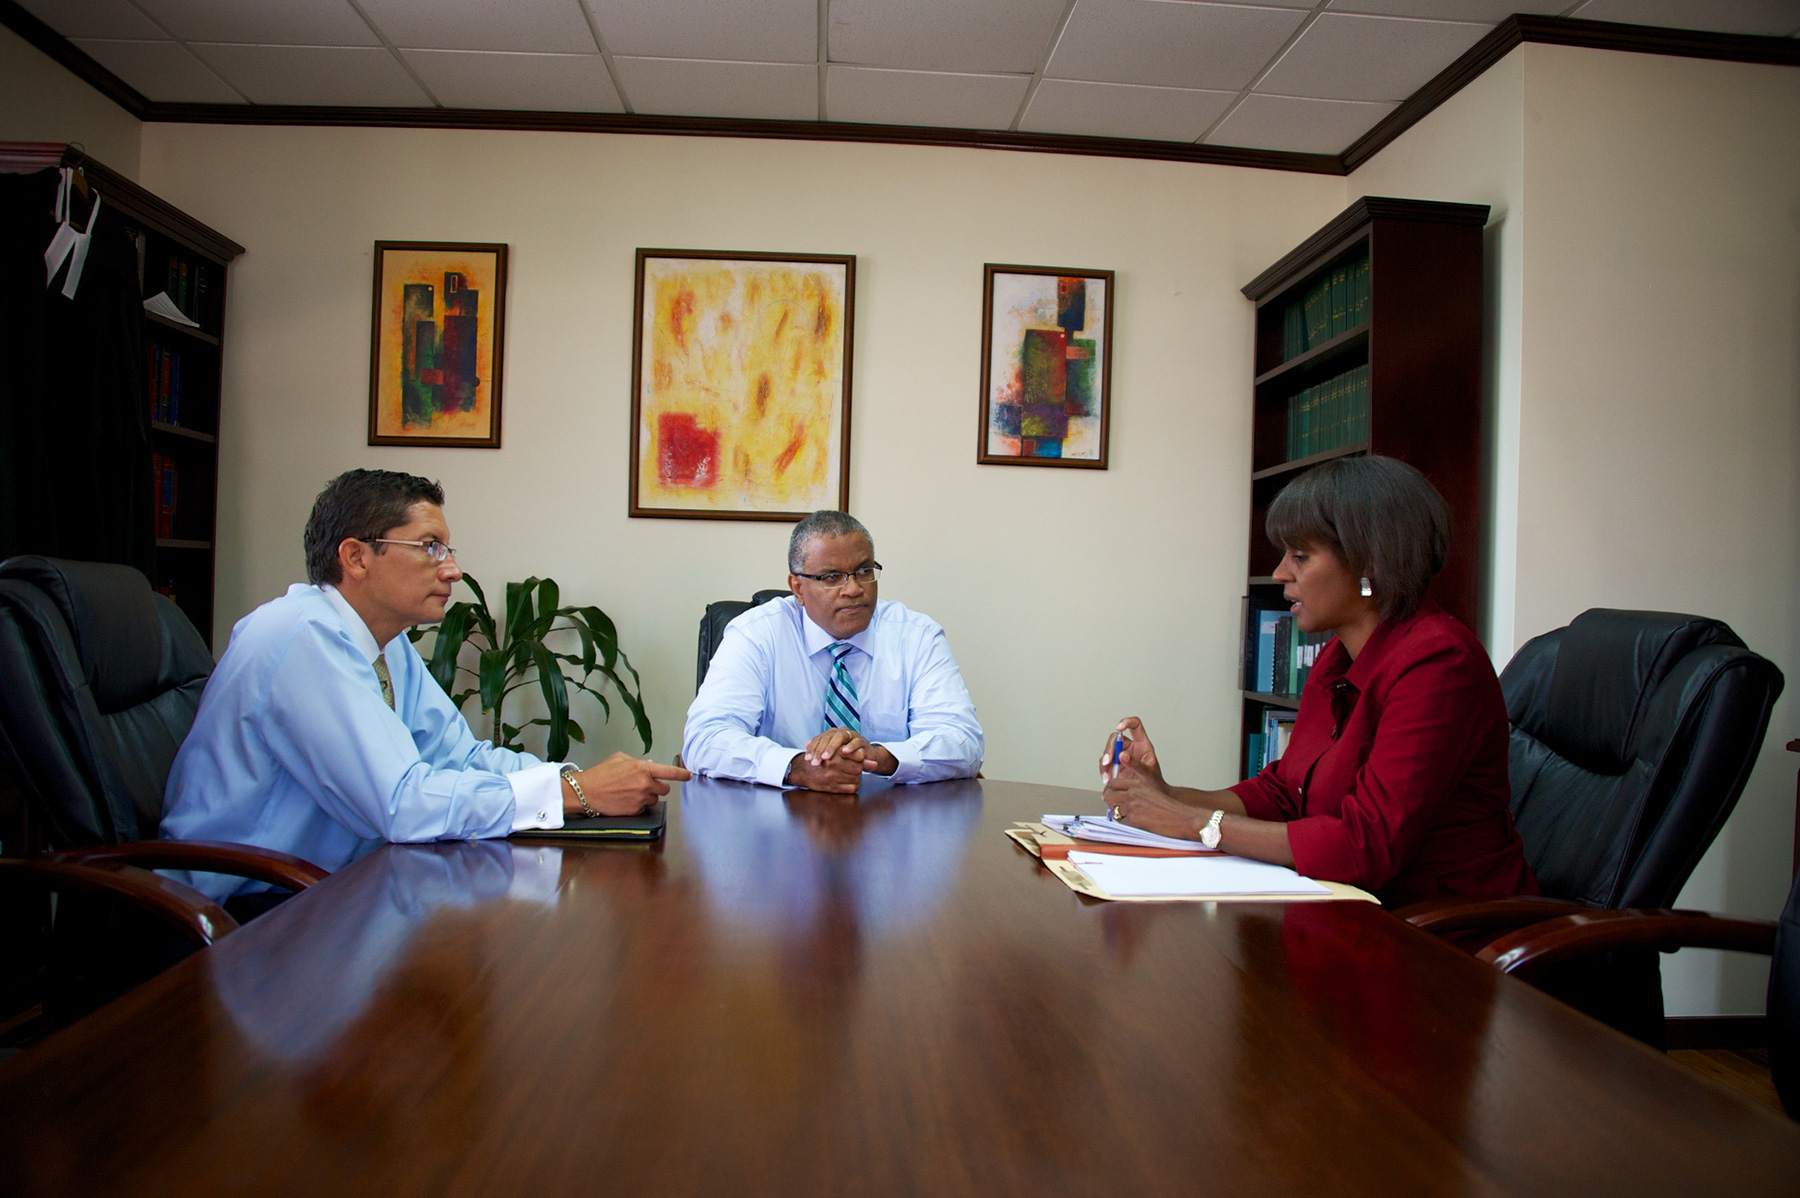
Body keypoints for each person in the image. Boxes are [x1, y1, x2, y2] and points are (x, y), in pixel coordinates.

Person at [162, 468, 687, 906]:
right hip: (245, 909)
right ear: (356, 557)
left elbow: (462, 758)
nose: (453, 570)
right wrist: (574, 794)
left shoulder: (384, 643)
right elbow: (402, 804)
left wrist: (581, 780)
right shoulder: (300, 635)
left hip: (333, 890)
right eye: (430, 547)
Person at [1101, 455, 1536, 907]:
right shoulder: (1337, 657)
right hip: (1355, 910)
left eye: (1301, 556)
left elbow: (1366, 847)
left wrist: (1193, 823)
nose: (1280, 572)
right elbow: (1286, 793)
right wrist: (1165, 795)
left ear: (1371, 560)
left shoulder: (1439, 663)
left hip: (1448, 933)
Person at [682, 510, 983, 793]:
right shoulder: (756, 634)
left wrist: (876, 756)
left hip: (890, 821)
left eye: (864, 571)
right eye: (831, 577)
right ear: (797, 588)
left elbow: (963, 741)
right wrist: (797, 766)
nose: (853, 588)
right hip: (776, 823)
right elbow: (704, 739)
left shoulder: (917, 636)